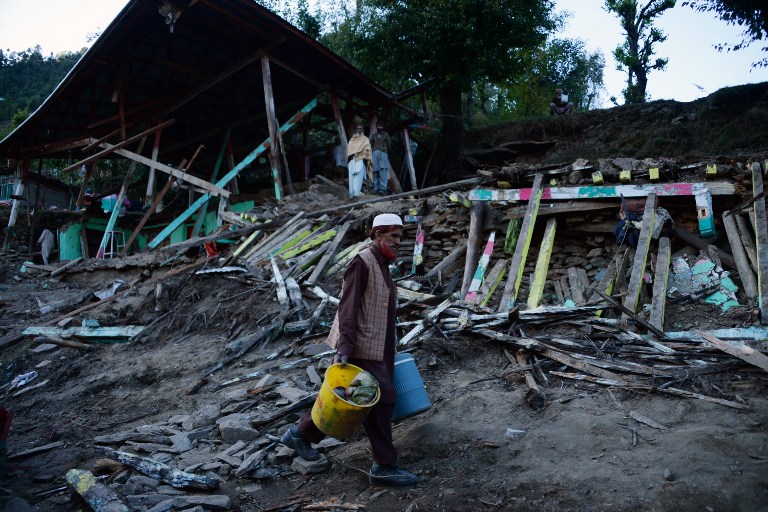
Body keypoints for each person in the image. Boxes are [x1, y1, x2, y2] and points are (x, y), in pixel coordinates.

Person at [280, 213, 419, 487]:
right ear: (378, 235)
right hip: (360, 345)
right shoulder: (362, 262)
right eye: (393, 236)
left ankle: (300, 434)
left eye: (400, 237)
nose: (397, 242)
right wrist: (345, 345)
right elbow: (348, 305)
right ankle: (383, 465)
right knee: (383, 399)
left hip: (378, 344)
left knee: (354, 399)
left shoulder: (382, 264)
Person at [346, 124, 371, 198]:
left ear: (363, 130)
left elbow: (367, 150)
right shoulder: (352, 139)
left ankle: (356, 194)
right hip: (352, 160)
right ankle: (351, 194)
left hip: (361, 160)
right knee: (351, 179)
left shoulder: (366, 139)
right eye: (358, 128)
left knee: (358, 178)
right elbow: (349, 150)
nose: (359, 130)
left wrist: (364, 158)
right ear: (356, 129)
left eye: (361, 128)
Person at [370, 121, 392, 195]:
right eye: (378, 126)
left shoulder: (386, 135)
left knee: (383, 170)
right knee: (375, 171)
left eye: (381, 126)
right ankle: (376, 188)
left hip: (383, 152)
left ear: (383, 127)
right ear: (376, 127)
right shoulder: (373, 135)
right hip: (375, 153)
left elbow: (389, 145)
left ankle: (383, 188)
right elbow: (371, 144)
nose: (380, 127)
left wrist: (385, 151)